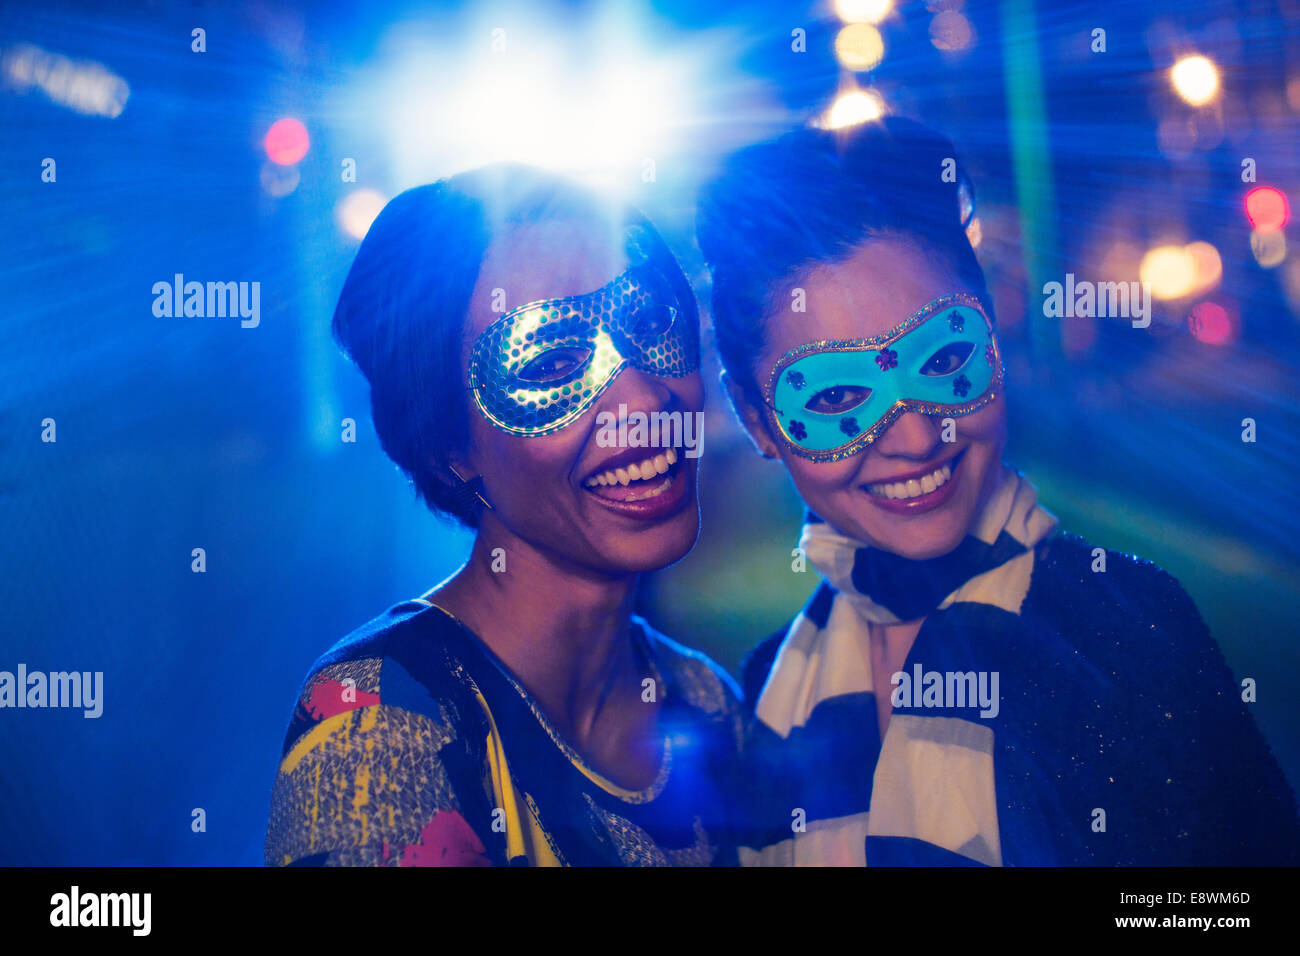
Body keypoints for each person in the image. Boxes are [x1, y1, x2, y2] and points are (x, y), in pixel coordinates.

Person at [695, 116, 1300, 866]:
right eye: (832, 398)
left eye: (943, 355)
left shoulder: (1129, 637)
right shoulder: (763, 698)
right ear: (757, 419)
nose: (917, 439)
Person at [265, 165, 742, 866]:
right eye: (550, 365)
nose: (644, 401)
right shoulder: (379, 720)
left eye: (649, 324)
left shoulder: (708, 704)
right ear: (449, 447)